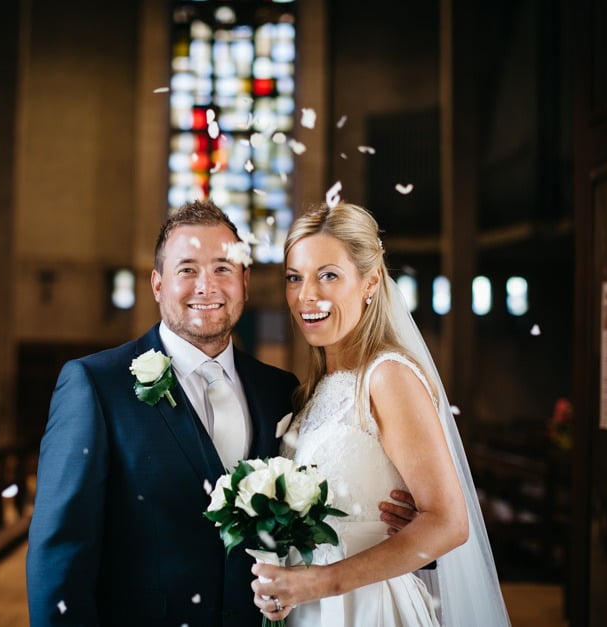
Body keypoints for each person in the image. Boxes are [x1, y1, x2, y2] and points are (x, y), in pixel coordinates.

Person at [26, 199, 418, 626]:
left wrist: (398, 527)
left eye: (222, 268)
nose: (206, 286)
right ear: (157, 284)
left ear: (244, 282)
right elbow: (58, 558)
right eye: (187, 269)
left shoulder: (279, 391)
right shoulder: (95, 386)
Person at [252, 202, 510, 626]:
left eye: (328, 275)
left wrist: (320, 582)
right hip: (310, 610)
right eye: (294, 277)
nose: (306, 295)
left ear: (370, 280)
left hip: (367, 607)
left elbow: (449, 522)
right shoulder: (316, 390)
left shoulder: (387, 376)